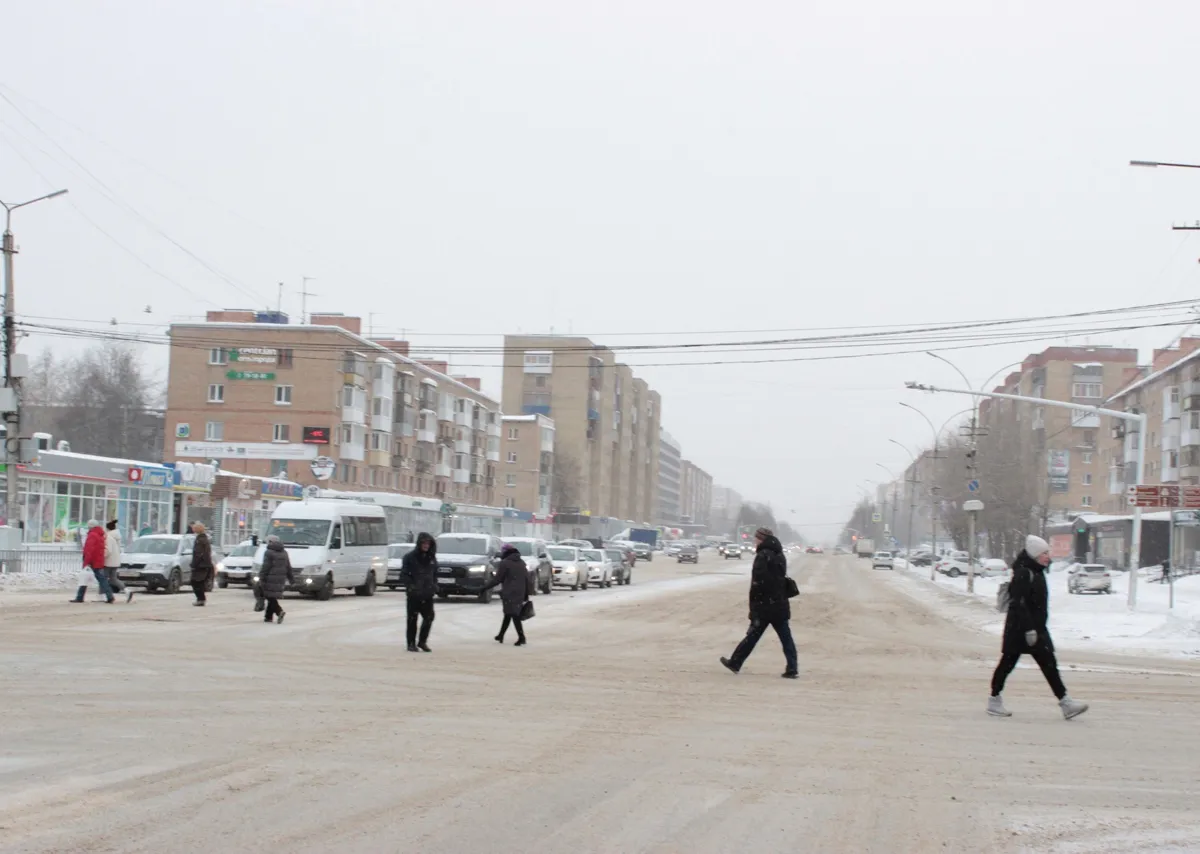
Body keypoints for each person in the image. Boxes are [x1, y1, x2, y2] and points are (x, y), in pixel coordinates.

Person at [989, 535, 1088, 720]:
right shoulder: (1023, 573)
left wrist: (1036, 628)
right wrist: (1029, 629)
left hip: (1037, 629)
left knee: (1049, 665)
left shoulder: (1037, 571)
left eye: (1047, 552)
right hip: (1019, 630)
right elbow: (1018, 603)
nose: (1047, 556)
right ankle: (994, 699)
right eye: (1044, 553)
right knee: (1007, 664)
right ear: (1035, 555)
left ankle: (1066, 703)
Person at [720, 527, 798, 678]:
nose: (754, 541)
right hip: (779, 603)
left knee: (752, 636)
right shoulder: (779, 554)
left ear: (761, 539)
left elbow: (759, 583)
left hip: (764, 605)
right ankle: (792, 668)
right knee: (786, 638)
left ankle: (735, 662)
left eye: (756, 538)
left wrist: (754, 606)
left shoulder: (763, 555)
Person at [486, 544, 535, 646]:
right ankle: (501, 635)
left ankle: (522, 637)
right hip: (520, 592)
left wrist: (484, 588)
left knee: (514, 614)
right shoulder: (521, 562)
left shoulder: (505, 563)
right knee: (508, 613)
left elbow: (498, 579)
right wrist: (527, 593)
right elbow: (527, 579)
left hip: (509, 592)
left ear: (505, 552)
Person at [399, 532, 438, 652]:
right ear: (419, 543)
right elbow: (404, 575)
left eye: (428, 543)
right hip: (414, 594)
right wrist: (411, 586)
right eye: (424, 543)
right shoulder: (410, 557)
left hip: (427, 594)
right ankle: (411, 643)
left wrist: (434, 586)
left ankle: (422, 641)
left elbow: (434, 574)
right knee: (412, 619)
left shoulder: (431, 558)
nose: (426, 546)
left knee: (429, 617)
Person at [71, 520, 115, 604]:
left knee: (86, 578)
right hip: (98, 560)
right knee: (101, 579)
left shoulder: (92, 535)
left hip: (92, 561)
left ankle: (80, 597)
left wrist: (86, 562)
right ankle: (109, 596)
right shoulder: (100, 535)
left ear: (90, 526)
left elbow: (89, 550)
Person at [257, 535, 294, 624]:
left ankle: (279, 611)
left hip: (270, 577)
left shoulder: (268, 552)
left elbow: (266, 566)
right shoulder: (284, 552)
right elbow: (288, 566)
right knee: (271, 596)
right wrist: (291, 579)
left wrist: (261, 577)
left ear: (269, 542)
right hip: (281, 578)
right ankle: (268, 617)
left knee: (269, 596)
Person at [103, 520, 132, 603]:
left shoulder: (108, 537)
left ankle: (107, 596)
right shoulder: (117, 536)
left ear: (108, 528)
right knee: (113, 579)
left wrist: (102, 557)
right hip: (116, 561)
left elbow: (108, 550)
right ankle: (127, 591)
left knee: (103, 579)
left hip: (108, 561)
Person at [189, 522, 215, 606]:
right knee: (198, 582)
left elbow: (198, 554)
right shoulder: (204, 539)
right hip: (205, 564)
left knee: (195, 582)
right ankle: (201, 599)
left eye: (194, 528)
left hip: (201, 565)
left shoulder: (200, 540)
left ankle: (201, 599)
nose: (193, 529)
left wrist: (194, 564)